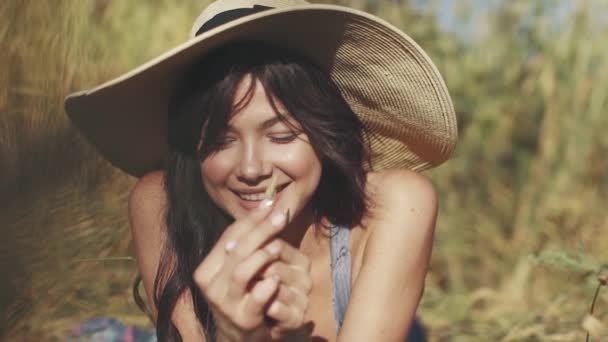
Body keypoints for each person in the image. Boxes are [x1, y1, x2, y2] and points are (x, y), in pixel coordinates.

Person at [64, 1, 457, 341]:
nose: (251, 169)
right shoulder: (160, 203)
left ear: (325, 134)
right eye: (220, 140)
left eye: (282, 136)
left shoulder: (393, 205)